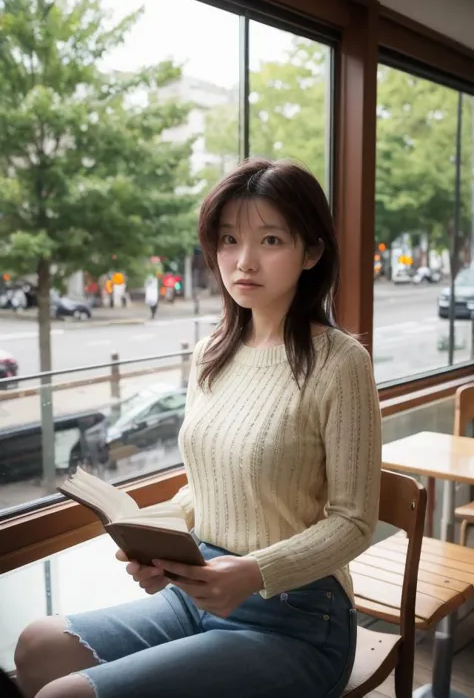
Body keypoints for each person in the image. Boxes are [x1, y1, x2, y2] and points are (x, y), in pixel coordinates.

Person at [14, 158, 382, 698]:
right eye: (229, 239)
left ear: (312, 251)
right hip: (199, 589)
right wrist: (157, 545)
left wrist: (253, 572)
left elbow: (353, 522)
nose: (243, 260)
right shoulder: (214, 350)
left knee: (63, 695)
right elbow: (207, 482)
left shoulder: (340, 362)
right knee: (37, 644)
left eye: (271, 240)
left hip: (297, 617)